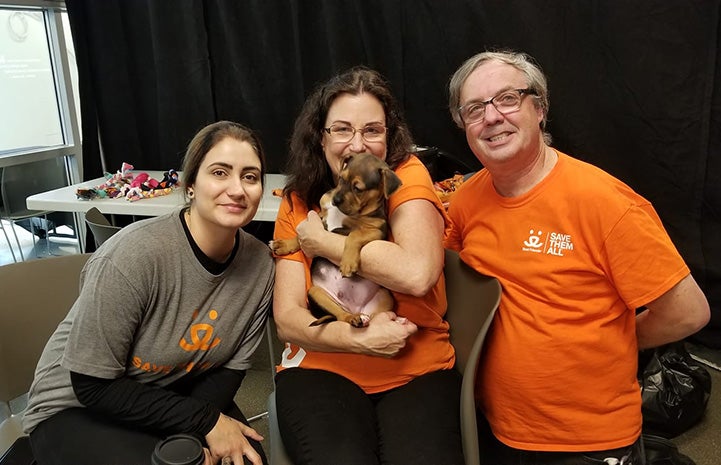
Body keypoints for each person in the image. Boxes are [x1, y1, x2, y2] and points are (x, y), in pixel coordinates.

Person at [445, 50, 711, 464]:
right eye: (475, 108)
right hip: (495, 427)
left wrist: (612, 339)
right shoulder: (464, 200)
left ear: (540, 109)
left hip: (587, 441)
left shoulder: (603, 202)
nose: (492, 117)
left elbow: (688, 312)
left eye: (508, 99)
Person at [23, 121, 275, 465]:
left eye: (250, 176)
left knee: (249, 460)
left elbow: (229, 371)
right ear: (190, 186)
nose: (237, 189)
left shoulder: (261, 266)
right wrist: (203, 423)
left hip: (177, 390)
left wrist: (192, 431)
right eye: (220, 172)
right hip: (78, 406)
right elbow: (91, 385)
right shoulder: (133, 256)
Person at [271, 66, 465, 465]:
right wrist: (357, 339)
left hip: (414, 363)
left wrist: (322, 241)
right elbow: (288, 319)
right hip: (321, 364)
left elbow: (415, 273)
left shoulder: (405, 175)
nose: (357, 144)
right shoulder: (298, 197)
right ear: (320, 137)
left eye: (372, 130)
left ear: (389, 137)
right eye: (341, 129)